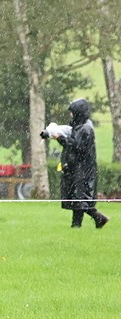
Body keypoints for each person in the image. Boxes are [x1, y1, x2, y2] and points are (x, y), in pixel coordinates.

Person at [43, 98, 108, 229]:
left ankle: (78, 224)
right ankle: (96, 218)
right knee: (77, 196)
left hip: (82, 169)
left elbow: (75, 145)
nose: (70, 115)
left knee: (79, 197)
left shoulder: (85, 128)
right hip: (78, 168)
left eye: (72, 112)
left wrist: (59, 138)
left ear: (78, 112)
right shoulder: (80, 126)